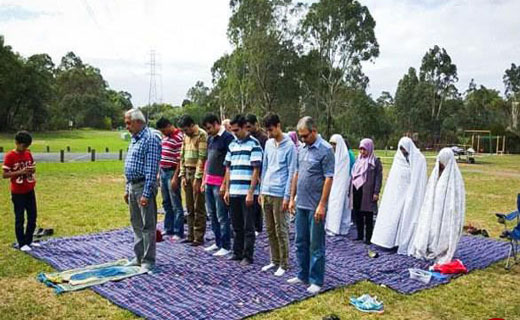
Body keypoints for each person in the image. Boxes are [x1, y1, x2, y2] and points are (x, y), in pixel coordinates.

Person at [288, 116, 335, 295]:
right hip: (301, 204)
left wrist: (322, 205)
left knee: (316, 244)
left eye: (305, 136)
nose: (302, 139)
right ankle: (302, 274)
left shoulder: (326, 150)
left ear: (314, 131)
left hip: (316, 206)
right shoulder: (301, 148)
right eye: (300, 136)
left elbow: (329, 178)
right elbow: (297, 173)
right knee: (300, 241)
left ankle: (316, 279)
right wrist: (292, 197)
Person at [371, 137, 427, 254]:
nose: (403, 151)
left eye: (404, 149)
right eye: (401, 149)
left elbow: (419, 179)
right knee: (393, 216)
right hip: (397, 194)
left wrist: (412, 194)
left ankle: (402, 241)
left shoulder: (419, 159)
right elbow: (394, 179)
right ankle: (388, 241)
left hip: (412, 194)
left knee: (408, 218)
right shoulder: (398, 159)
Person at [409, 148, 466, 264]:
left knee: (441, 230)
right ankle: (429, 246)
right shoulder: (436, 173)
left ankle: (440, 248)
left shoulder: (455, 178)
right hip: (434, 208)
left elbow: (456, 199)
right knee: (432, 229)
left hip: (445, 211)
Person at [123, 109, 161, 272]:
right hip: (133, 186)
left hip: (143, 186)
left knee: (147, 225)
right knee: (136, 223)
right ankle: (138, 257)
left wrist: (146, 193)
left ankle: (148, 260)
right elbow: (131, 163)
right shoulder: (135, 138)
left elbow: (152, 169)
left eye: (128, 123)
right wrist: (127, 188)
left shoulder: (151, 138)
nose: (126, 127)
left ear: (138, 122)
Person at [259, 113, 296, 277]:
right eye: (267, 131)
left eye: (271, 130)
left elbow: (291, 172)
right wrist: (261, 190)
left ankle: (284, 262)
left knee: (281, 229)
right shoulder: (268, 144)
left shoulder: (290, 146)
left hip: (280, 192)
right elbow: (265, 167)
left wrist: (288, 197)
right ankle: (273, 260)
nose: (269, 134)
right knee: (269, 228)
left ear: (278, 125)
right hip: (267, 190)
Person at [223, 114, 263, 266]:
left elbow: (256, 170)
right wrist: (227, 189)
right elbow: (228, 168)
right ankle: (237, 252)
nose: (234, 133)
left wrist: (251, 192)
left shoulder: (254, 144)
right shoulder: (232, 145)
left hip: (247, 192)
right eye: (232, 130)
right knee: (236, 224)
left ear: (245, 127)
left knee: (248, 226)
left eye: (237, 130)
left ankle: (248, 255)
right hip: (234, 190)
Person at [201, 113, 234, 257]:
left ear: (216, 124)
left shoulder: (228, 138)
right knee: (212, 214)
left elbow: (229, 165)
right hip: (209, 182)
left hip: (219, 183)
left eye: (209, 128)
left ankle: (226, 245)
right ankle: (217, 241)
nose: (207, 131)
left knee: (222, 216)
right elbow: (208, 161)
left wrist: (225, 185)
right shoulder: (210, 139)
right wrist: (203, 180)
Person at [2, 131, 38, 252]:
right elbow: (5, 174)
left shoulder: (28, 153)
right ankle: (21, 243)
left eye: (27, 146)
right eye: (23, 146)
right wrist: (20, 172)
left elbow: (33, 167)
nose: (25, 149)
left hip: (29, 190)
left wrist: (32, 170)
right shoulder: (10, 156)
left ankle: (29, 240)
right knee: (20, 217)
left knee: (32, 216)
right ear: (17, 143)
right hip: (18, 193)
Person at [178, 115, 208, 247]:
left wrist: (198, 178)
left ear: (191, 125)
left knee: (198, 206)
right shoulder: (185, 137)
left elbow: (202, 157)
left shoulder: (202, 135)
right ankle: (190, 234)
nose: (185, 133)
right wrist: (182, 174)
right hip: (187, 172)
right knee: (189, 206)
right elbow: (182, 155)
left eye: (186, 130)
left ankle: (198, 236)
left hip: (197, 174)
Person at [155, 117, 185, 240]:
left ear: (169, 125)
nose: (163, 133)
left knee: (175, 203)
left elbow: (180, 159)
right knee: (166, 202)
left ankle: (178, 231)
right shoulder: (165, 138)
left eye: (163, 130)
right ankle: (168, 228)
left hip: (172, 171)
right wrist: (158, 172)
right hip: (163, 171)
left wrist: (175, 177)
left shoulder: (179, 138)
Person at [350, 138, 382, 245]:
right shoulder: (358, 159)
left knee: (368, 215)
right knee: (357, 212)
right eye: (361, 149)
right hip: (357, 189)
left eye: (364, 149)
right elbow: (353, 174)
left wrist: (376, 192)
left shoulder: (375, 161)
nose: (362, 152)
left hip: (368, 192)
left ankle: (368, 237)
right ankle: (359, 235)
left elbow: (378, 177)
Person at [325, 134, 352, 236]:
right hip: (332, 183)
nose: (332, 146)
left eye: (334, 144)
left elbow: (343, 172)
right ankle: (330, 225)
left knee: (340, 205)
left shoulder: (344, 156)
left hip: (341, 185)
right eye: (331, 143)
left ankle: (337, 227)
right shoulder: (331, 154)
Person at [245, 114, 268, 235]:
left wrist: (260, 175)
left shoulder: (263, 139)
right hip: (249, 172)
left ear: (256, 124)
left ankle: (257, 226)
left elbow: (265, 158)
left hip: (260, 171)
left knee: (256, 200)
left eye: (249, 126)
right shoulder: (247, 138)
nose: (247, 129)